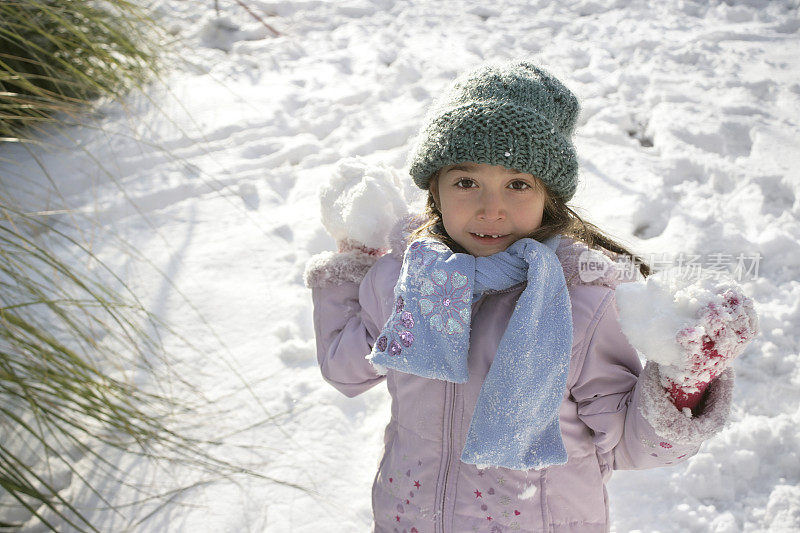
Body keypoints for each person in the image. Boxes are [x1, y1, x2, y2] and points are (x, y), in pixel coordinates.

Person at [304, 60, 758, 533]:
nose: (490, 208)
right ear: (434, 188)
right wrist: (355, 260)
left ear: (548, 197)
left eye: (517, 184)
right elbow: (346, 369)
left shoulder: (579, 302)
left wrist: (686, 384)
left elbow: (627, 443)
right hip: (407, 518)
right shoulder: (408, 276)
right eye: (466, 181)